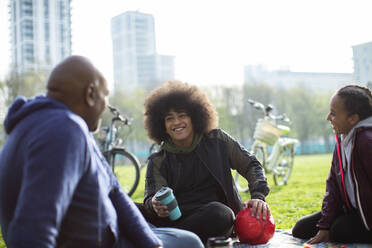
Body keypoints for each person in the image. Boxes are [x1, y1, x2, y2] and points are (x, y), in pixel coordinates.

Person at [0, 56, 203, 248]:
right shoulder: (64, 131)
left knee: (179, 237)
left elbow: (115, 193)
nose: (105, 105)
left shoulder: (31, 128)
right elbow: (33, 228)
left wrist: (151, 244)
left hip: (114, 235)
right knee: (189, 242)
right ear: (90, 94)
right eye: (105, 95)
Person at [142, 80, 271, 243]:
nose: (176, 122)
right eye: (169, 118)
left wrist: (258, 196)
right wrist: (155, 206)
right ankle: (171, 238)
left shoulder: (218, 140)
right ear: (163, 125)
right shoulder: (158, 159)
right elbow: (152, 196)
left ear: (195, 118)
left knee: (221, 214)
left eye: (182, 115)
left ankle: (164, 239)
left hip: (213, 216)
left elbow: (251, 164)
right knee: (125, 206)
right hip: (174, 219)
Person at [292, 84, 372, 244]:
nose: (328, 118)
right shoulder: (342, 140)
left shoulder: (367, 142)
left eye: (333, 114)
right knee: (301, 229)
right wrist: (324, 226)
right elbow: (333, 186)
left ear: (353, 119)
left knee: (339, 231)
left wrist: (330, 228)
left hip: (367, 216)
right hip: (351, 211)